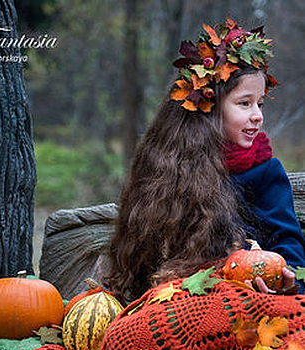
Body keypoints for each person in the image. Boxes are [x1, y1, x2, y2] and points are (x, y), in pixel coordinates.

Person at [105, 18, 305, 303]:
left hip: (248, 303)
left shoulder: (264, 170)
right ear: (210, 109)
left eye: (260, 103)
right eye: (244, 103)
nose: (258, 115)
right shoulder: (171, 169)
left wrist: (286, 280)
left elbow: (290, 246)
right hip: (176, 301)